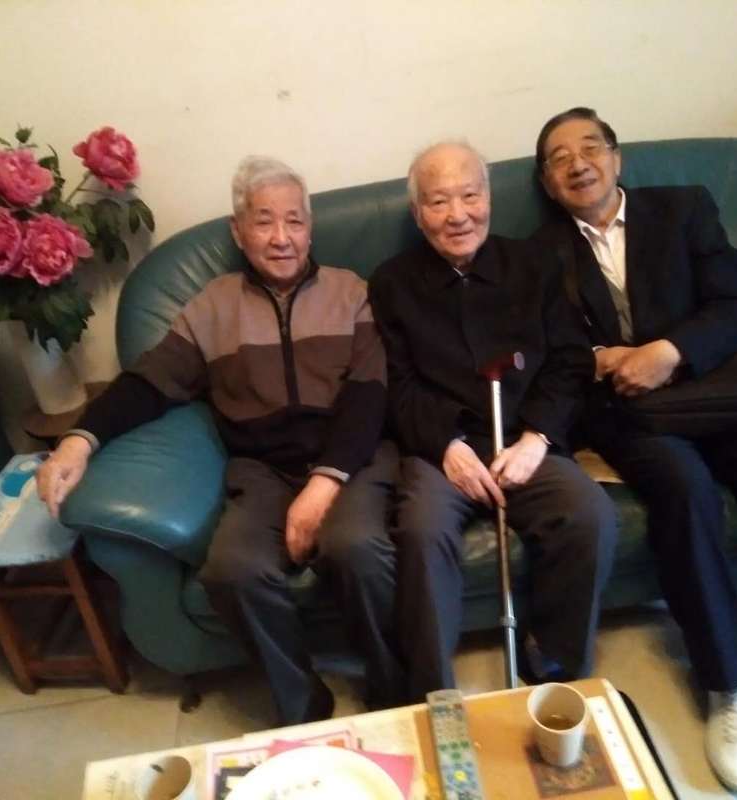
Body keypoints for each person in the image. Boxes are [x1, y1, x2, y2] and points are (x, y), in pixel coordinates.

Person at [36, 156, 405, 726]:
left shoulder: (350, 291)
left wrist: (323, 485)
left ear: (310, 229)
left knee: (356, 547)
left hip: (350, 459)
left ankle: (391, 691)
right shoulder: (212, 306)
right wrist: (78, 441)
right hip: (261, 470)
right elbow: (148, 383)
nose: (281, 237)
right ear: (238, 231)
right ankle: (303, 705)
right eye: (264, 221)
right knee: (233, 569)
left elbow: (369, 395)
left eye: (294, 221)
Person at [532, 107, 737, 792]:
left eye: (590, 148)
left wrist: (670, 351)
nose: (578, 164)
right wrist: (603, 359)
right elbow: (549, 349)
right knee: (684, 488)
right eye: (559, 158)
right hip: (628, 413)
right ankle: (730, 686)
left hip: (711, 391)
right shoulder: (540, 254)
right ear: (548, 182)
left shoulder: (684, 210)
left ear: (617, 157)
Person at [368, 141, 617, 702]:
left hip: (525, 440)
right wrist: (446, 445)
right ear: (418, 214)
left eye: (470, 196)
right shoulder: (391, 283)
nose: (458, 215)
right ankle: (430, 693)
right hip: (442, 448)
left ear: (489, 198)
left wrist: (538, 438)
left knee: (589, 515)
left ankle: (552, 663)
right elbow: (395, 383)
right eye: (438, 202)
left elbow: (570, 360)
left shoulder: (534, 265)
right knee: (422, 530)